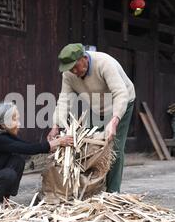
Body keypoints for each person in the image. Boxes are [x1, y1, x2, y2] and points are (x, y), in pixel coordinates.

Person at [47, 43, 136, 193]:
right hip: (96, 106)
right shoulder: (69, 74)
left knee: (113, 147)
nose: (73, 71)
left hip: (121, 103)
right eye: (70, 68)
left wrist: (114, 120)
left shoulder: (104, 64)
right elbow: (64, 100)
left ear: (84, 58)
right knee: (90, 145)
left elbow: (120, 93)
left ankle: (112, 193)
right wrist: (55, 125)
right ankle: (92, 189)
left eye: (75, 66)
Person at [0, 102, 73, 207]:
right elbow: (27, 148)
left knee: (17, 161)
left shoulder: (2, 132)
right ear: (3, 123)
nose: (19, 124)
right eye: (15, 120)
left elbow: (26, 145)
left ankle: (3, 200)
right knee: (8, 174)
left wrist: (51, 146)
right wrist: (57, 142)